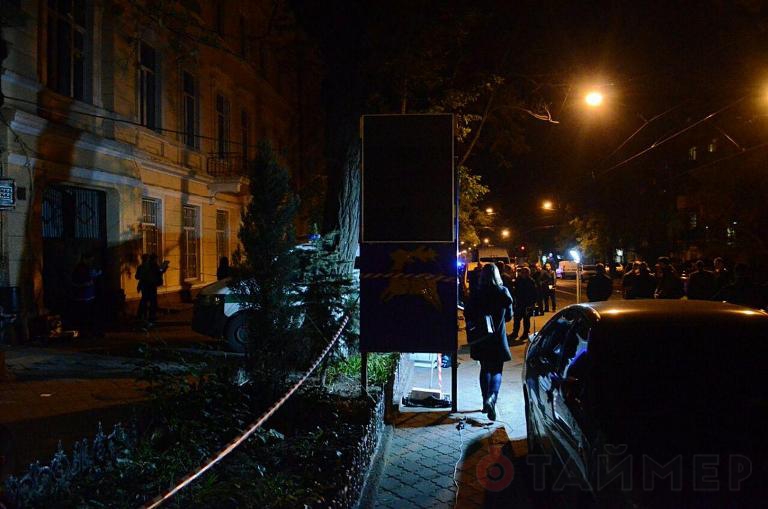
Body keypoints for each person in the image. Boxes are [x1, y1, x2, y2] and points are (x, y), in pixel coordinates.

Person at [464, 263, 512, 422]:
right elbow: (509, 316)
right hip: (498, 338)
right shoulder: (503, 292)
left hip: (482, 338)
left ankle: (485, 401)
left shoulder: (477, 293)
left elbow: (468, 313)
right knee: (497, 370)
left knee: (485, 369)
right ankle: (492, 398)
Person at [71, 253, 102, 337]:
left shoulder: (85, 268)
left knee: (87, 315)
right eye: (90, 259)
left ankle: (88, 332)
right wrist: (86, 283)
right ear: (85, 259)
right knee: (85, 315)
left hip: (88, 296)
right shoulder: (81, 268)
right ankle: (86, 332)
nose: (91, 261)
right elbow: (78, 281)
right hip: (84, 297)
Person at [137, 254, 169, 322]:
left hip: (144, 286)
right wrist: (164, 268)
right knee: (152, 301)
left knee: (144, 300)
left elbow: (137, 276)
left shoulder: (141, 266)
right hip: (151, 286)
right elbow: (159, 272)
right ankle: (151, 316)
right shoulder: (153, 266)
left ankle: (141, 315)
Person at [510, 266, 537, 341]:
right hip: (519, 302)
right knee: (517, 319)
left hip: (527, 303)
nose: (523, 274)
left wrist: (533, 303)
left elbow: (534, 293)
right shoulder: (519, 280)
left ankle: (525, 333)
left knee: (526, 319)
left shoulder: (531, 281)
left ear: (528, 273)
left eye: (524, 272)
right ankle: (515, 332)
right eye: (522, 272)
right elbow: (515, 289)